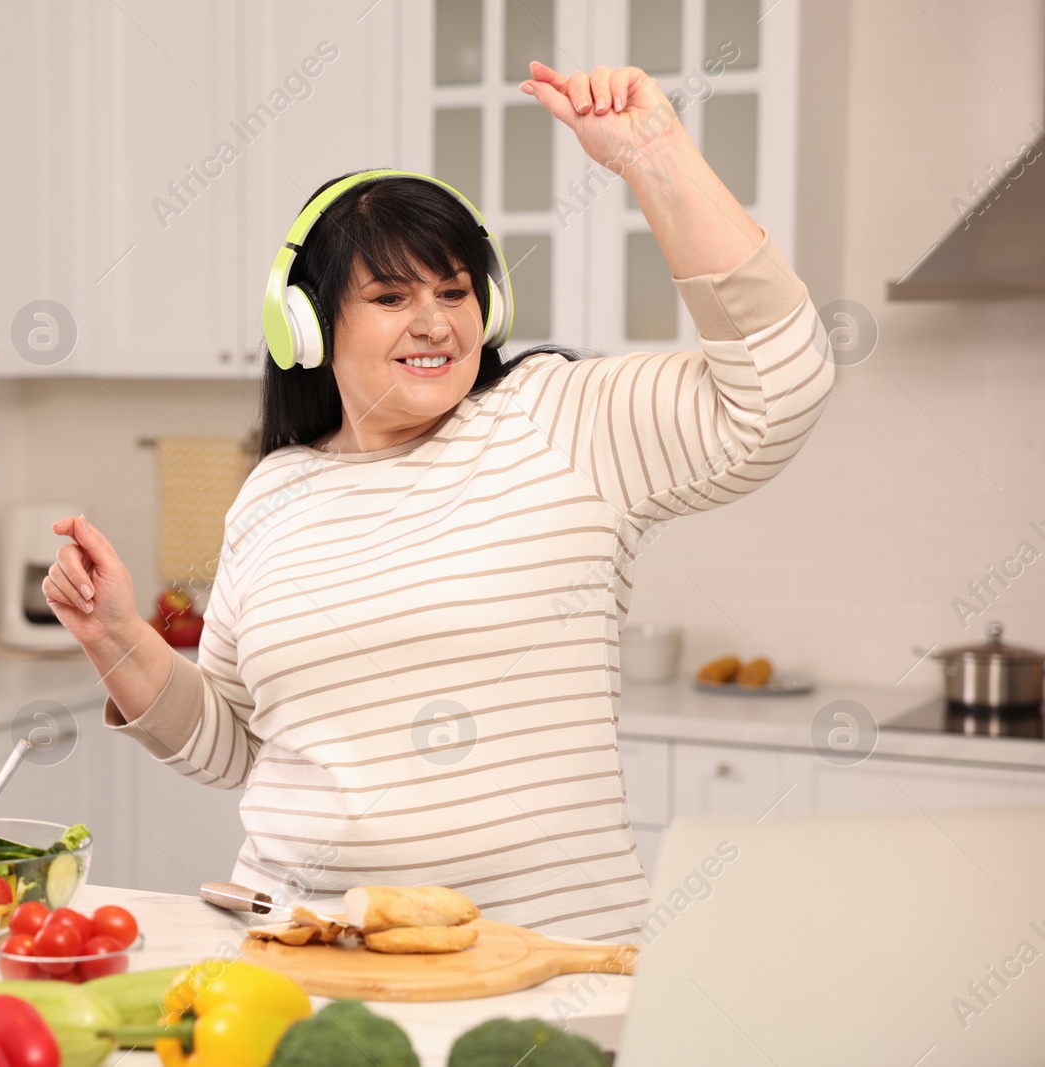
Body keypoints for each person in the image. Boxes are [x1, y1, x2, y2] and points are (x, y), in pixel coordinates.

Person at [42, 62, 834, 941]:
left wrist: (657, 157)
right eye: (390, 297)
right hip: (308, 959)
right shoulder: (273, 490)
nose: (436, 322)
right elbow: (230, 744)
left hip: (545, 967)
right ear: (304, 326)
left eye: (454, 291)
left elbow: (781, 386)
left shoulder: (557, 417)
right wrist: (117, 639)